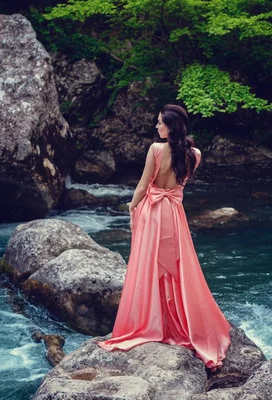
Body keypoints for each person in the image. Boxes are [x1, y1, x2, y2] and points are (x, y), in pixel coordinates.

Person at [97, 104, 231, 371]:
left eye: (159, 123)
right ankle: (176, 321)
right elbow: (179, 185)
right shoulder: (196, 154)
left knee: (149, 266)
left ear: (169, 126)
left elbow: (144, 184)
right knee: (177, 268)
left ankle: (156, 322)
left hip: (154, 211)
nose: (156, 127)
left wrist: (131, 206)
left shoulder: (156, 149)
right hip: (174, 213)